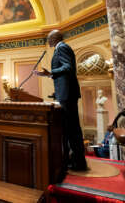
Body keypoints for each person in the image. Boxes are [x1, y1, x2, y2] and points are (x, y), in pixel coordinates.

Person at [34, 29, 87, 171]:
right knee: (70, 128)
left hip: (67, 94)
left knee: (72, 128)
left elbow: (68, 67)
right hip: (65, 93)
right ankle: (75, 160)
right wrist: (48, 75)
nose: (48, 41)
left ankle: (78, 162)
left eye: (48, 38)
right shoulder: (61, 48)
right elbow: (64, 71)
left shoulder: (62, 47)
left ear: (54, 38)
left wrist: (51, 72)